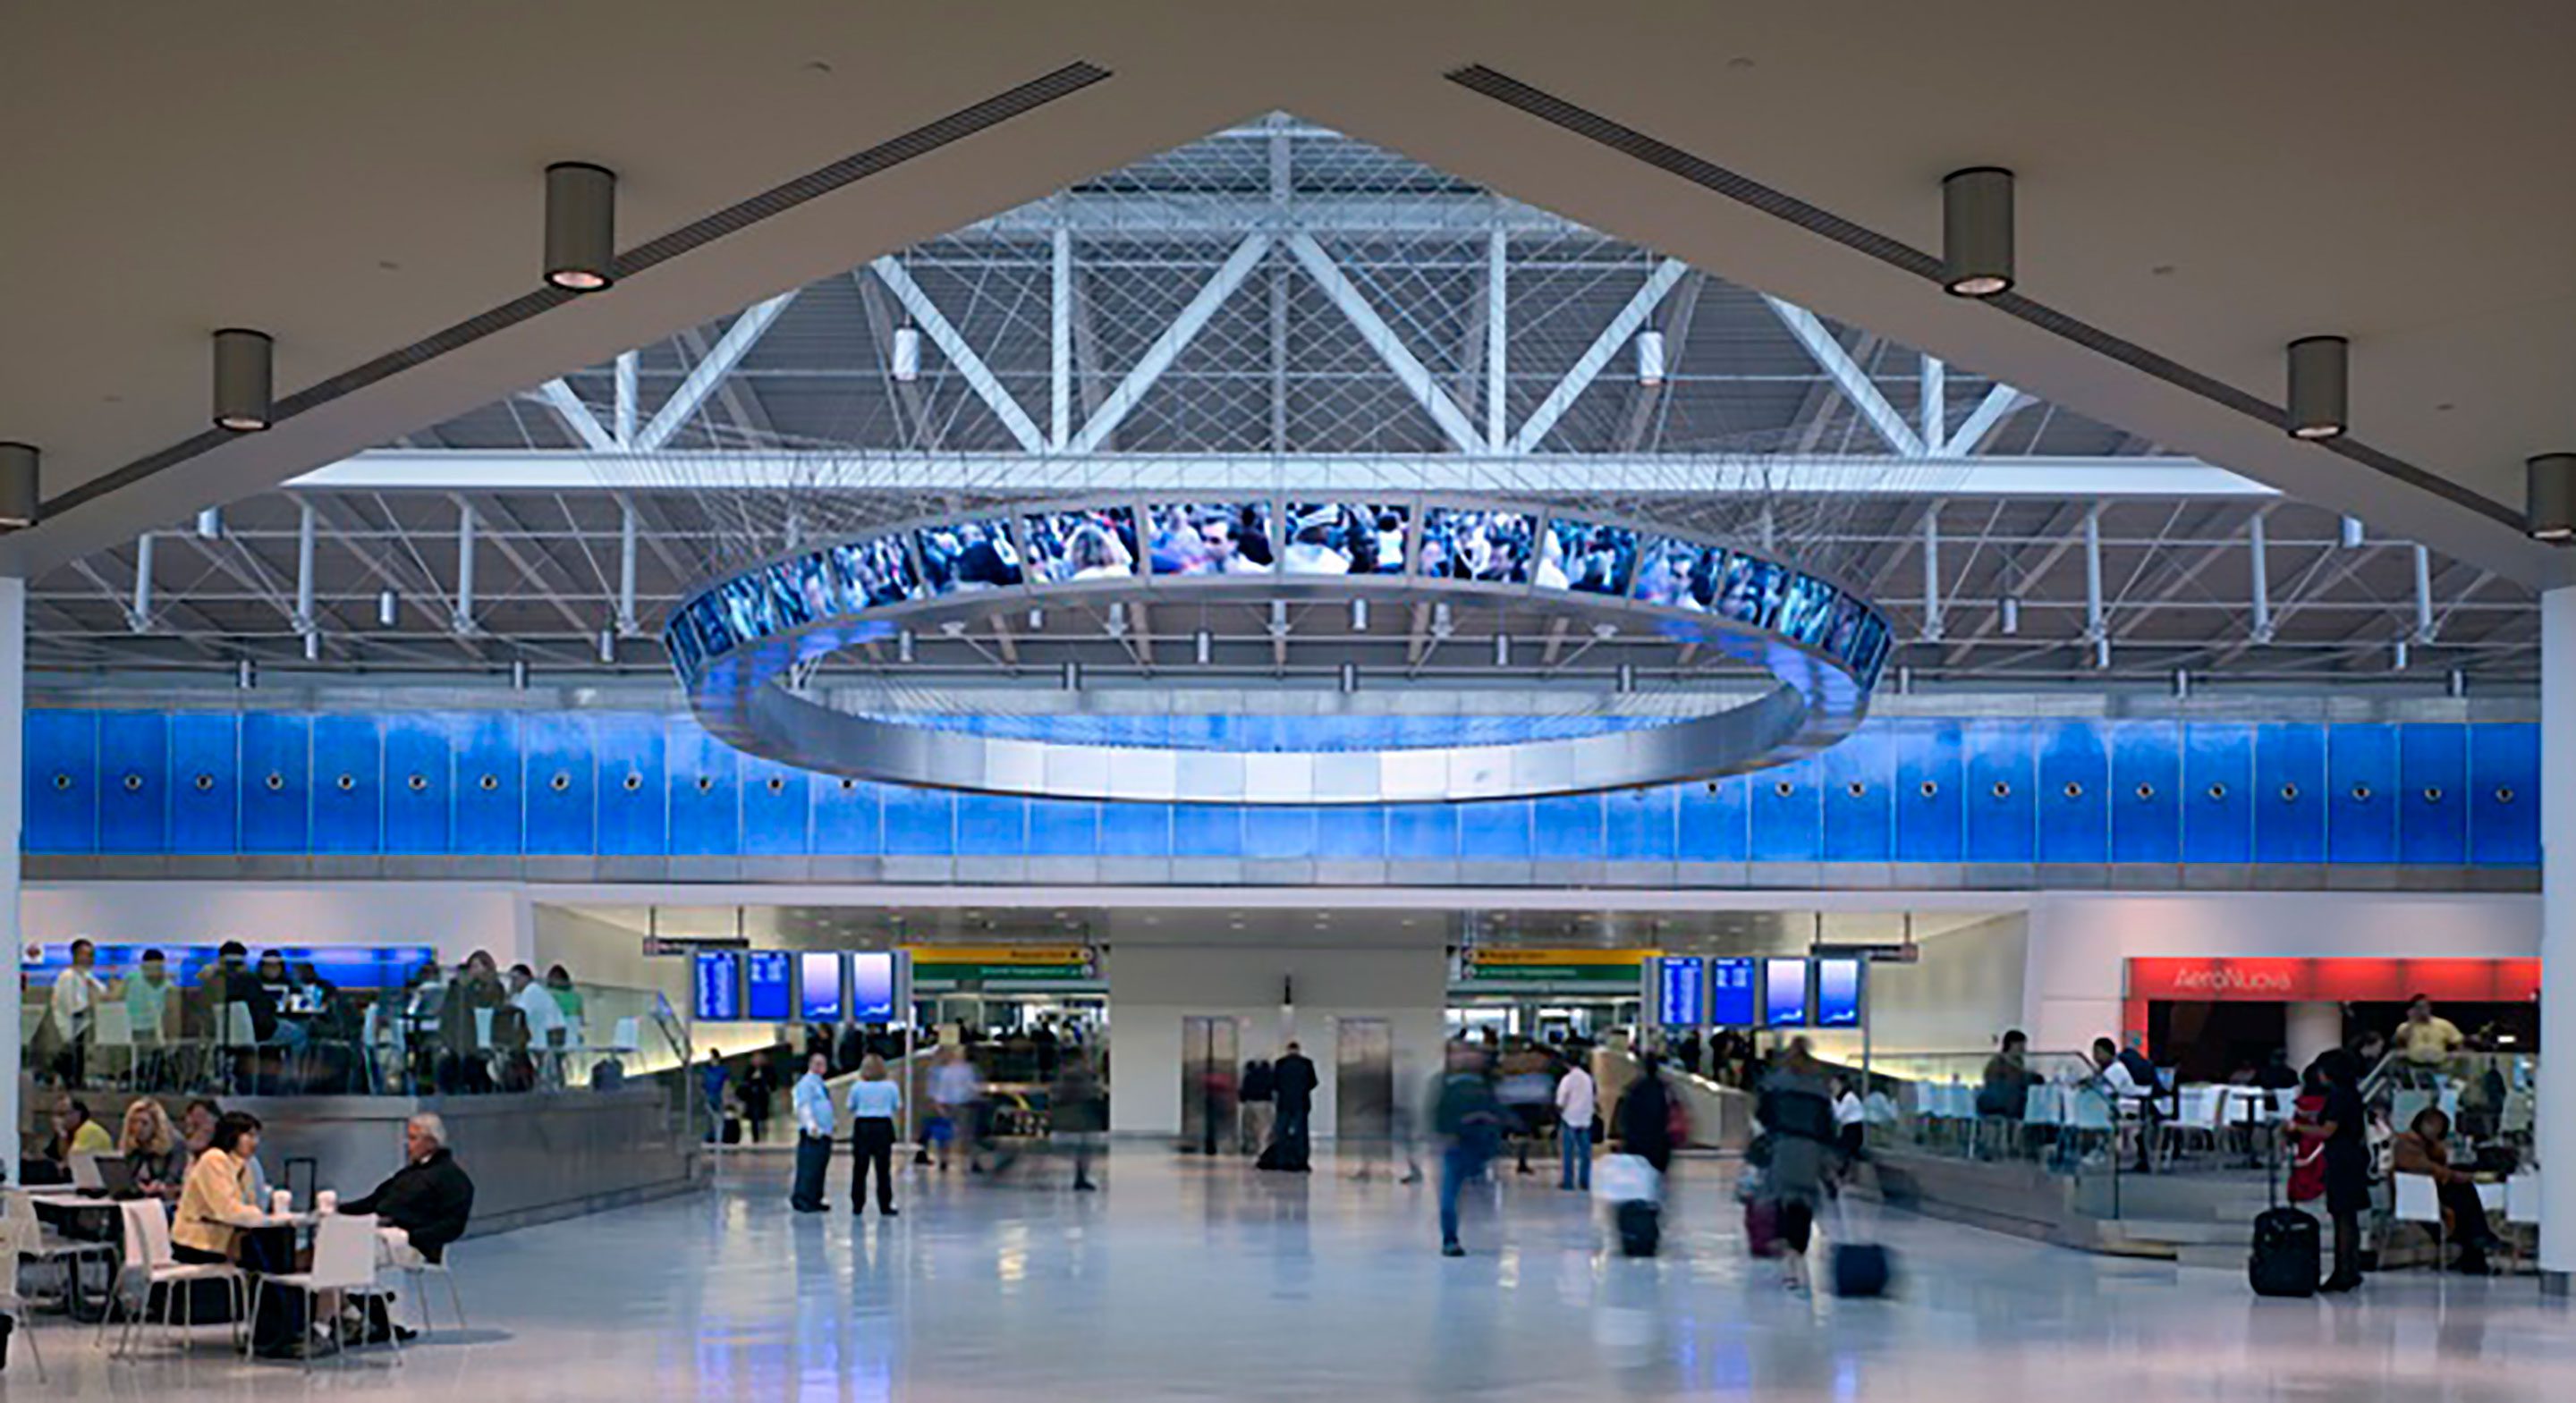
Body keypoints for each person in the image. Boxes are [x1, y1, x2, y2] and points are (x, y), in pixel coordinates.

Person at [1756, 1039, 1836, 1294]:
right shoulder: (1819, 1088)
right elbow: (1827, 1127)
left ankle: (1789, 1264)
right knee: (1803, 1205)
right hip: (1810, 1152)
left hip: (1784, 1148)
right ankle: (1799, 1256)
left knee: (1783, 1201)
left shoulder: (1777, 1082)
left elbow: (1764, 1116)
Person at [341, 1112, 474, 1264]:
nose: (407, 1144)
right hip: (386, 1232)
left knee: (346, 1248)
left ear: (431, 1141)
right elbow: (374, 1201)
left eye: (413, 1138)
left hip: (415, 1245)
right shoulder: (410, 1173)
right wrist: (339, 1210)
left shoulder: (451, 1178)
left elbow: (453, 1225)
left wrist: (411, 1236)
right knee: (337, 1237)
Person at [2392, 1107, 2501, 1274]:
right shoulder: (2406, 1146)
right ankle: (2479, 1239)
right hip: (2420, 1198)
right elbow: (2426, 1168)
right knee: (2464, 1196)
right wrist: (2452, 1175)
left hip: (2435, 1194)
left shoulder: (2429, 1148)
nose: (2433, 1129)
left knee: (2464, 1198)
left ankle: (2476, 1244)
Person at [1432, 1043, 1504, 1257]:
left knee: (1463, 1194)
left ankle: (1455, 1236)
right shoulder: (1447, 1085)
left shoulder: (1484, 1085)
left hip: (1476, 1146)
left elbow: (1496, 1112)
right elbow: (1438, 1117)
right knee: (1451, 1195)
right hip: (1456, 1146)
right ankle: (1450, 1238)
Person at [172, 1111, 271, 1264]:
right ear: (232, 1135)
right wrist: (257, 1215)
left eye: (256, 1136)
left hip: (225, 1241)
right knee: (260, 1253)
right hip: (197, 1243)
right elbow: (226, 1210)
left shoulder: (244, 1164)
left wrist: (256, 1214)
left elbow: (251, 1203)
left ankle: (270, 1286)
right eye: (249, 1136)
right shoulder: (214, 1159)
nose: (255, 1142)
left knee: (268, 1248)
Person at [2314, 1049, 2372, 1292]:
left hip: (2341, 1160)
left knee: (2341, 1215)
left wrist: (2298, 1128)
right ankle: (2351, 1268)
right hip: (2354, 1158)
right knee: (2349, 1216)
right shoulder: (2352, 1095)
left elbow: (2328, 1131)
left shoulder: (2337, 1096)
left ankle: (2342, 1271)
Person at [2090, 1036, 2160, 1172]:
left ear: (2108, 1053)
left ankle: (2101, 1150)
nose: (2095, 1056)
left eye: (2098, 1052)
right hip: (2127, 1104)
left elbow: (2106, 1089)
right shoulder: (2107, 1069)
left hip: (2130, 1105)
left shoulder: (2116, 1069)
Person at [845, 1053, 902, 1216]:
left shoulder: (857, 1087)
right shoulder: (891, 1086)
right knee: (883, 1169)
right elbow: (897, 1106)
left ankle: (857, 1204)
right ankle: (885, 1204)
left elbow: (851, 1106)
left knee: (859, 1168)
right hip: (883, 1125)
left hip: (863, 1125)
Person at [48, 938, 106, 1086]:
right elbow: (70, 1006)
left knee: (80, 1059)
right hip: (69, 1027)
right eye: (85, 954)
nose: (89, 959)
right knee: (73, 1060)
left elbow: (103, 991)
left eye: (91, 955)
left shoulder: (86, 976)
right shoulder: (67, 977)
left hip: (82, 1025)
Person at [1051, 1051, 1105, 1191]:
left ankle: (1080, 1176)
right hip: (1082, 1114)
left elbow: (1056, 1095)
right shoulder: (1081, 1076)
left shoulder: (1063, 1076)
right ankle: (1081, 1177)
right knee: (1085, 1147)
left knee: (1082, 1148)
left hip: (1072, 1114)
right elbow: (1091, 1092)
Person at [1615, 1052, 1675, 1176]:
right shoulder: (1663, 1088)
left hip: (1637, 1143)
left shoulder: (1633, 1089)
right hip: (1658, 1142)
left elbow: (1625, 1116)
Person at [789, 1052, 835, 1213]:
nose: (820, 1067)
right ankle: (803, 1198)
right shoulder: (806, 1084)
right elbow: (803, 1106)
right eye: (817, 1063)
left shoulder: (820, 1084)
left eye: (823, 1063)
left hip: (824, 1133)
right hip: (813, 1133)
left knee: (819, 1167)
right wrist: (811, 1125)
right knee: (809, 1166)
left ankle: (815, 1197)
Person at [118, 1099, 188, 1199]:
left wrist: (160, 1186)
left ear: (156, 1125)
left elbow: (173, 1177)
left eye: (144, 1123)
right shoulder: (131, 1146)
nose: (138, 1128)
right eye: (134, 1122)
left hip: (164, 1201)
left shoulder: (175, 1143)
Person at [928, 1046, 979, 1172]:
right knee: (952, 1134)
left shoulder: (965, 1069)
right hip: (951, 1104)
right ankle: (946, 1159)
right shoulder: (946, 1071)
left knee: (963, 1134)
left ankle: (968, 1160)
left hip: (960, 1104)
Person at [1268, 1042, 1318, 1172]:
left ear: (1288, 1050)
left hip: (1284, 1103)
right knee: (1301, 1133)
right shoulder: (1307, 1063)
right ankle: (1301, 1161)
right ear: (1298, 1050)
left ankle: (1282, 1160)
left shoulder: (1280, 1063)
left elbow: (1274, 1083)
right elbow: (1313, 1082)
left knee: (1282, 1132)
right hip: (1301, 1102)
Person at [1554, 1052, 1597, 1192]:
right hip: (1585, 1119)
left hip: (1569, 1118)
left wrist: (1558, 1112)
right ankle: (1585, 1181)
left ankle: (1568, 1181)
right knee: (1585, 1153)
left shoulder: (1567, 1079)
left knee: (1568, 1152)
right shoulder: (1588, 1079)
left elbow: (1561, 1101)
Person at [123, 947, 175, 1044]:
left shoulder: (168, 986)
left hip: (155, 1029)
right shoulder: (132, 979)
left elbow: (171, 1013)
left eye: (158, 967)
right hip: (132, 1028)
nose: (154, 972)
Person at [2399, 994, 2466, 1069]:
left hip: (2439, 1066)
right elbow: (2400, 1043)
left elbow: (2459, 1042)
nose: (2422, 1009)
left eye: (2425, 1006)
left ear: (2430, 1007)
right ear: (2414, 1009)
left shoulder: (2443, 1024)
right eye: (2419, 1007)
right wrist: (2411, 1020)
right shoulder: (2405, 1026)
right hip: (2414, 1067)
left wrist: (2455, 1055)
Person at [47, 1095, 114, 1164]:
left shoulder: (88, 1129)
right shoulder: (70, 1133)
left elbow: (72, 1162)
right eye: (56, 1115)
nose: (59, 1120)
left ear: (78, 1113)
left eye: (63, 1114)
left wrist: (62, 1134)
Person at [1238, 1055, 1276, 1157]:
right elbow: (1273, 1088)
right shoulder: (1269, 1075)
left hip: (1249, 1103)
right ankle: (1262, 1148)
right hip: (1264, 1102)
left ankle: (1250, 1147)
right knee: (1264, 1127)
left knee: (1249, 1127)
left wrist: (1242, 1099)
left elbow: (1243, 1089)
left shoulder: (1248, 1075)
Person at [741, 1051, 778, 1147]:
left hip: (762, 1096)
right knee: (754, 1117)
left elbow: (772, 1082)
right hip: (752, 1098)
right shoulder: (749, 1070)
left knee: (762, 1116)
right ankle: (756, 1137)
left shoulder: (767, 1069)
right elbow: (745, 1082)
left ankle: (763, 1135)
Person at [700, 1051, 731, 1143]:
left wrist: (725, 1097)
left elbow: (726, 1084)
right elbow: (703, 1084)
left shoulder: (722, 1070)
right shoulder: (706, 1070)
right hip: (709, 1096)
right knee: (709, 1118)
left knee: (718, 1117)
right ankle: (710, 1136)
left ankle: (719, 1137)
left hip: (718, 1096)